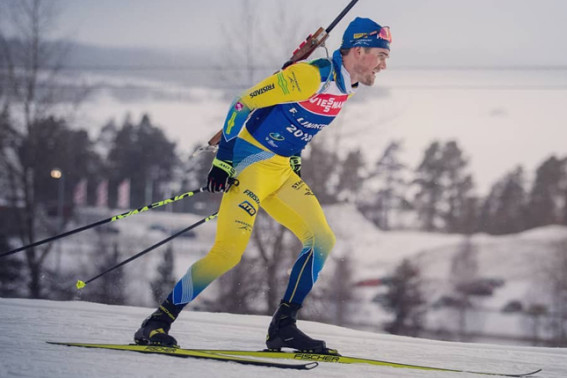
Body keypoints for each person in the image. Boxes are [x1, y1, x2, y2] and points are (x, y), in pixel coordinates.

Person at [134, 17, 391, 353]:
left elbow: (296, 119)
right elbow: (243, 104)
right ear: (358, 51)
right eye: (381, 55)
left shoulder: (344, 86)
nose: (385, 64)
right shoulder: (310, 76)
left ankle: (283, 328)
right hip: (250, 166)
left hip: (281, 170)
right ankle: (157, 322)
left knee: (321, 241)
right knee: (227, 253)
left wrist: (294, 153)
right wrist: (224, 158)